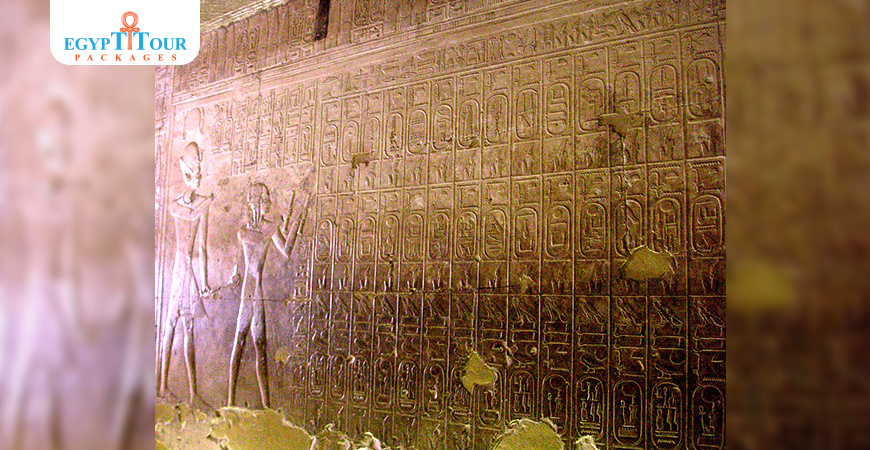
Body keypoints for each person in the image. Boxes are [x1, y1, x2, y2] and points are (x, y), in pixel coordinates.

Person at [227, 182, 308, 408]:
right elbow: (248, 245)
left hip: (257, 290)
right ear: (255, 202)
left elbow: (286, 250)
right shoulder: (248, 231)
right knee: (240, 342)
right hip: (248, 291)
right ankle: (231, 401)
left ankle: (266, 405)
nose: (269, 203)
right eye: (265, 199)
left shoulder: (267, 228)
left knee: (260, 345)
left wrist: (297, 219)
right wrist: (279, 224)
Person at [157, 142, 215, 406]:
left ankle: (191, 393)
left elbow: (202, 249)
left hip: (186, 269)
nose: (200, 175)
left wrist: (204, 283)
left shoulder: (194, 205)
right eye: (197, 170)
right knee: (172, 323)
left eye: (200, 170)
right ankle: (162, 386)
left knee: (185, 326)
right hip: (182, 268)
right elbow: (199, 247)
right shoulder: (185, 206)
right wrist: (203, 283)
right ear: (188, 173)